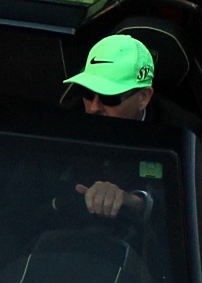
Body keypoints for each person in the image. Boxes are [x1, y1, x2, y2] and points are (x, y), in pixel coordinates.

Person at [63, 34, 159, 219]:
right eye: (87, 92)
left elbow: (178, 205)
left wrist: (135, 201)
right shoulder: (64, 123)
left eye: (110, 98)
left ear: (143, 97)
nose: (94, 107)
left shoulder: (178, 133)